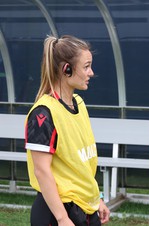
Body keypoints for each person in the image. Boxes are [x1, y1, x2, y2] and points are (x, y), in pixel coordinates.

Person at [25, 35, 110, 226]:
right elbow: (41, 171)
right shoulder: (43, 114)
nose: (91, 72)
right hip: (59, 212)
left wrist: (97, 200)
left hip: (85, 208)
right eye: (86, 66)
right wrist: (62, 218)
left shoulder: (79, 103)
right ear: (67, 69)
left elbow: (81, 164)